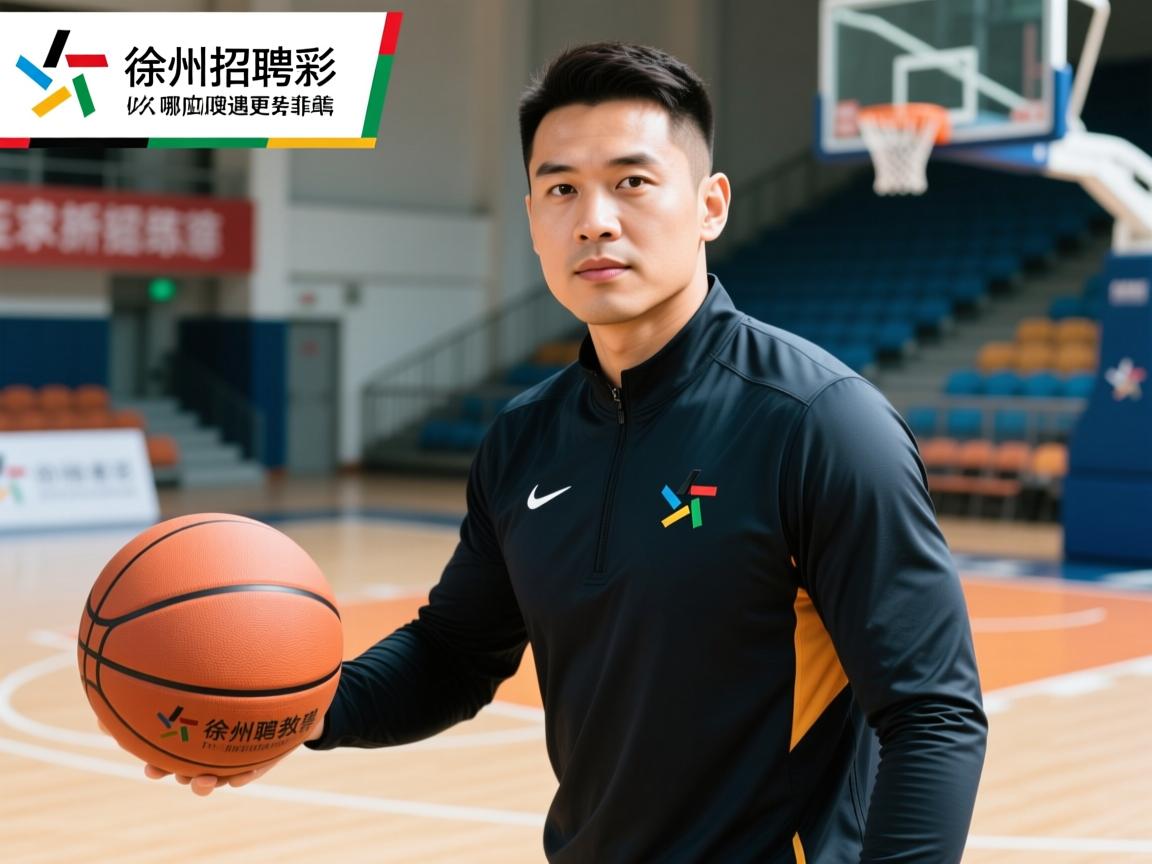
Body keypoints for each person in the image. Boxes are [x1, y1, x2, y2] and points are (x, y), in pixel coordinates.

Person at [144, 42, 987, 863]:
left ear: (711, 205)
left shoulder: (821, 425)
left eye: (632, 182)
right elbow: (454, 655)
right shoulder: (523, 440)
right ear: (533, 220)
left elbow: (933, 715)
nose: (595, 220)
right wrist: (289, 710)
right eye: (561, 189)